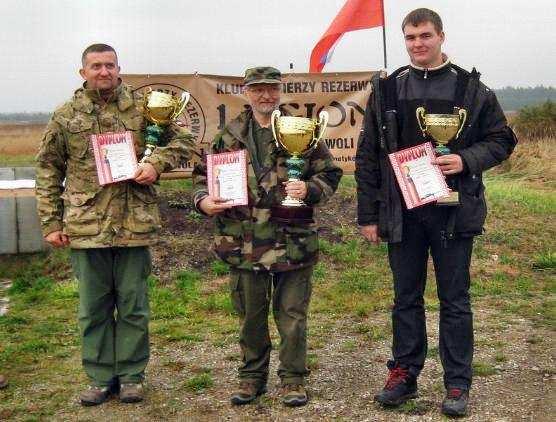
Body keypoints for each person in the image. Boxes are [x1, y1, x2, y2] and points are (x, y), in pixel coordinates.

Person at [355, 8, 517, 417]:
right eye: (410, 37)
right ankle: (404, 374)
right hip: (402, 212)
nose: (417, 44)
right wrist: (368, 215)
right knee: (405, 298)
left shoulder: (471, 88)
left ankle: (457, 383)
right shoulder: (387, 89)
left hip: (453, 211)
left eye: (425, 36)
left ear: (441, 36)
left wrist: (464, 160)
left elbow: (502, 139)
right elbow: (368, 156)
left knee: (455, 300)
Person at [35, 43, 194, 406]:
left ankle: (133, 376)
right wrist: (50, 221)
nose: (103, 72)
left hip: (133, 223)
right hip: (86, 225)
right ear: (83, 72)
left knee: (133, 305)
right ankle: (99, 376)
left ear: (119, 68)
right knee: (93, 308)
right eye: (95, 66)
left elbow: (185, 141)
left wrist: (157, 164)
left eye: (109, 65)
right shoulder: (65, 116)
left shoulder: (145, 109)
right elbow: (47, 169)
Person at [193, 66, 342, 407]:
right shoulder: (227, 136)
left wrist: (308, 188)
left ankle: (292, 379)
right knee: (250, 317)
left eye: (272, 89)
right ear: (245, 91)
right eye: (258, 89)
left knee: (292, 316)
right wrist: (203, 200)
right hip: (243, 241)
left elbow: (330, 174)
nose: (265, 96)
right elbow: (202, 176)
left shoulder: (300, 130)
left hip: (292, 240)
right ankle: (251, 378)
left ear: (280, 91)